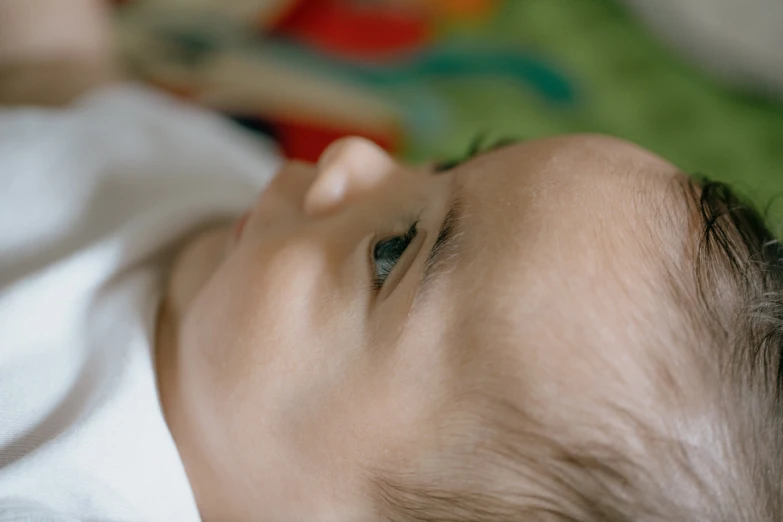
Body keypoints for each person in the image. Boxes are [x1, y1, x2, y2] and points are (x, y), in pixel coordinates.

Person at [1, 2, 782, 521]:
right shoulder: (241, 222)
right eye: (450, 164)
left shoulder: (70, 488)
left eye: (391, 254)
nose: (356, 159)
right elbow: (58, 89)